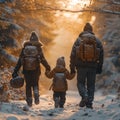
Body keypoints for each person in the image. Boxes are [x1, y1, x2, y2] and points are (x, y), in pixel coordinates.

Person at [69, 23, 104, 109]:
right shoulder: (97, 40)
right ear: (92, 30)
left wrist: (72, 68)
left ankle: (84, 96)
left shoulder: (78, 40)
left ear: (84, 30)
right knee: (91, 85)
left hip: (81, 66)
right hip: (93, 66)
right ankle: (89, 103)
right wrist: (99, 67)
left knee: (80, 83)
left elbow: (73, 54)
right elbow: (101, 55)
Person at [12, 31, 51, 107]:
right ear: (37, 40)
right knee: (35, 83)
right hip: (36, 70)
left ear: (30, 39)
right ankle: (36, 92)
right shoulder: (38, 48)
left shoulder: (25, 48)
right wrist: (47, 67)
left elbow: (20, 61)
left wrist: (15, 71)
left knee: (28, 85)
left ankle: (29, 101)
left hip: (26, 70)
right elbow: (43, 59)